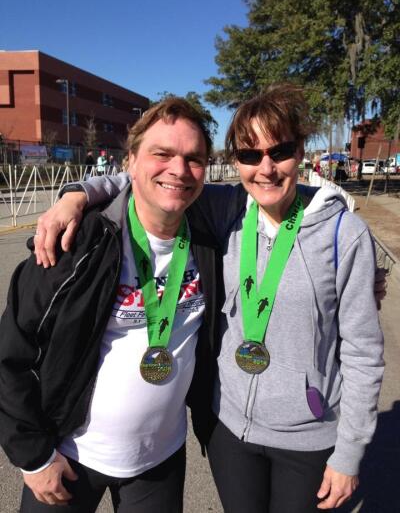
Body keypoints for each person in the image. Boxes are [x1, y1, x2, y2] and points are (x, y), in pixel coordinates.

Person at [32, 84, 384, 512]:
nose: (266, 168)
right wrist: (78, 194)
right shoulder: (227, 209)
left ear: (301, 152)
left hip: (307, 436)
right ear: (234, 160)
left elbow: (364, 355)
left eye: (281, 151)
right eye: (250, 155)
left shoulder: (342, 234)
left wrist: (349, 454)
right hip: (228, 429)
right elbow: (155, 175)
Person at [0, 98, 221, 512]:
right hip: (69, 457)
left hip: (159, 460)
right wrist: (32, 456)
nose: (178, 169)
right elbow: (12, 353)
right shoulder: (76, 241)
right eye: (162, 154)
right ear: (131, 162)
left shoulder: (211, 235)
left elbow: (277, 195)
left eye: (193, 159)